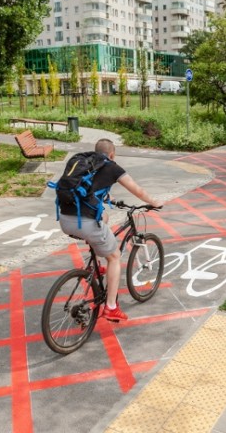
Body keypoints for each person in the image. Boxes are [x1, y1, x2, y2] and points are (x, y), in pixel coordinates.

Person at [58, 138, 163, 322]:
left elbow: (90, 188)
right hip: (86, 221)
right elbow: (137, 190)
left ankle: (94, 264)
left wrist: (110, 199)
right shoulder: (112, 167)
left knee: (104, 217)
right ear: (112, 154)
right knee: (114, 256)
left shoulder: (86, 163)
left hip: (65, 219)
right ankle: (111, 307)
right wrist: (155, 202)